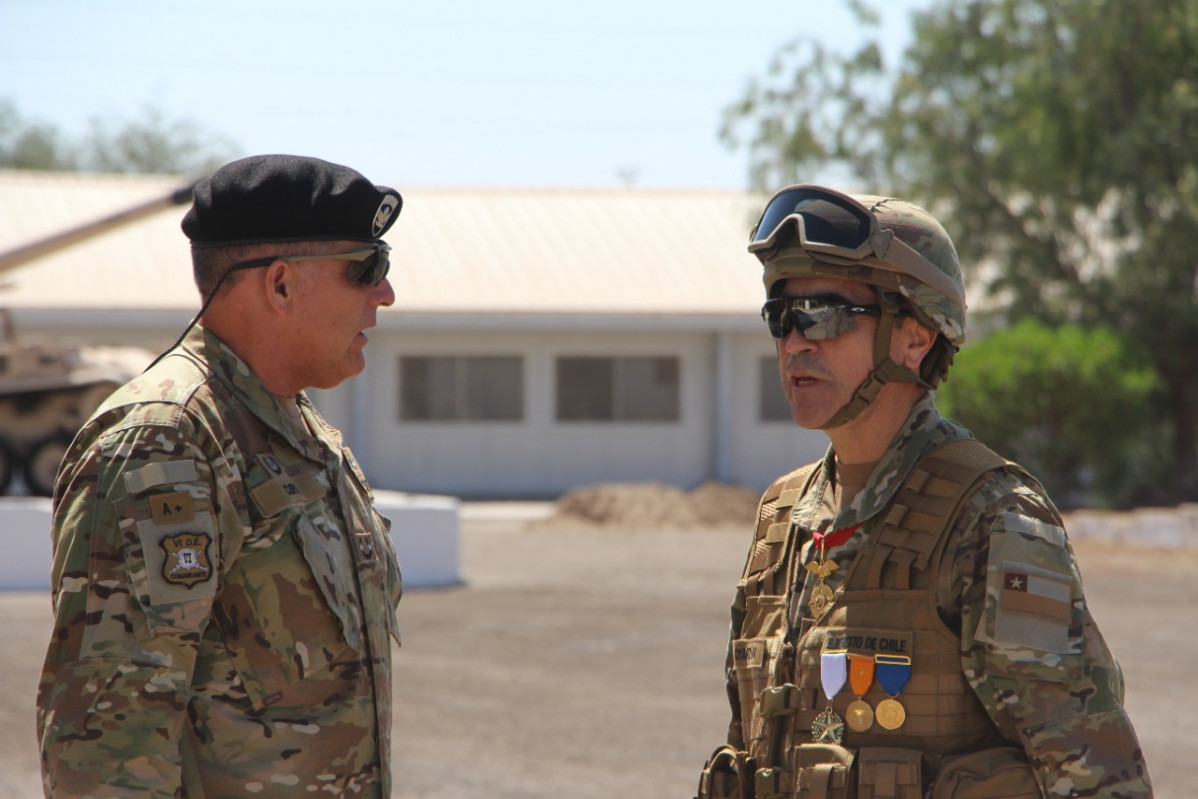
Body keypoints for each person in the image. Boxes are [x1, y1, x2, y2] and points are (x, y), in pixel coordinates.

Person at [696, 185, 1152, 799]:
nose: (795, 341)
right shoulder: (784, 518)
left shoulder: (992, 519)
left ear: (916, 337)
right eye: (782, 316)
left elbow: (1098, 776)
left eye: (824, 314)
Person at [37, 154, 405, 798]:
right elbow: (105, 739)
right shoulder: (166, 440)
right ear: (281, 285)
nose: (386, 294)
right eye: (365, 269)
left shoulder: (302, 432)